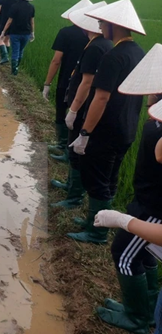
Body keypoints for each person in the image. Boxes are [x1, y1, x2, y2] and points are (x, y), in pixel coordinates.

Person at [89, 51, 162, 332]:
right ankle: (147, 308)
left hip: (154, 208)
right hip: (146, 199)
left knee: (124, 254)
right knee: (144, 255)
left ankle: (138, 317)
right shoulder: (155, 116)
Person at [68, 0, 146, 244]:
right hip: (128, 127)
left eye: (103, 23)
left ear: (115, 26)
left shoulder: (114, 57)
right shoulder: (138, 52)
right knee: (110, 177)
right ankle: (98, 219)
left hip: (107, 129)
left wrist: (85, 133)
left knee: (98, 178)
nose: (100, 27)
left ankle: (97, 232)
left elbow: (100, 98)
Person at [50, 2, 111, 208]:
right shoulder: (100, 45)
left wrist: (74, 109)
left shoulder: (96, 47)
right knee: (72, 148)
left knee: (76, 153)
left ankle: (73, 198)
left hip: (83, 107)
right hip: (83, 104)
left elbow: (87, 82)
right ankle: (70, 187)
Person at [44, 0, 92, 163]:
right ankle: (70, 149)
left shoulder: (65, 33)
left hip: (67, 81)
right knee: (78, 117)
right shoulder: (96, 38)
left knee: (61, 111)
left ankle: (62, 144)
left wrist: (47, 84)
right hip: (88, 85)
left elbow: (56, 60)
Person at [0, 0, 35, 76]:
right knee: (21, 50)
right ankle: (16, 67)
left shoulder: (14, 6)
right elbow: (32, 21)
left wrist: (4, 31)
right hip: (26, 33)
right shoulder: (31, 7)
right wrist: (32, 32)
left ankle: (14, 71)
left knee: (15, 51)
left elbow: (9, 20)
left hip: (15, 32)